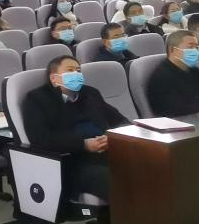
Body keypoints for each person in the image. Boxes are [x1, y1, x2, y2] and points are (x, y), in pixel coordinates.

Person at [23, 56, 129, 202]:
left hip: (106, 152)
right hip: (72, 161)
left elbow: (121, 121)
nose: (76, 74)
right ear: (54, 78)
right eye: (70, 70)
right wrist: (83, 144)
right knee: (119, 181)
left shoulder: (91, 93)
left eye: (78, 71)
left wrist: (112, 137)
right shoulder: (37, 99)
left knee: (147, 166)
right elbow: (41, 139)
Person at [147, 31, 199, 118]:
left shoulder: (197, 72)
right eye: (190, 47)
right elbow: (177, 112)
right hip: (186, 123)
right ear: (172, 50)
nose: (195, 51)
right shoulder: (161, 78)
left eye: (197, 47)